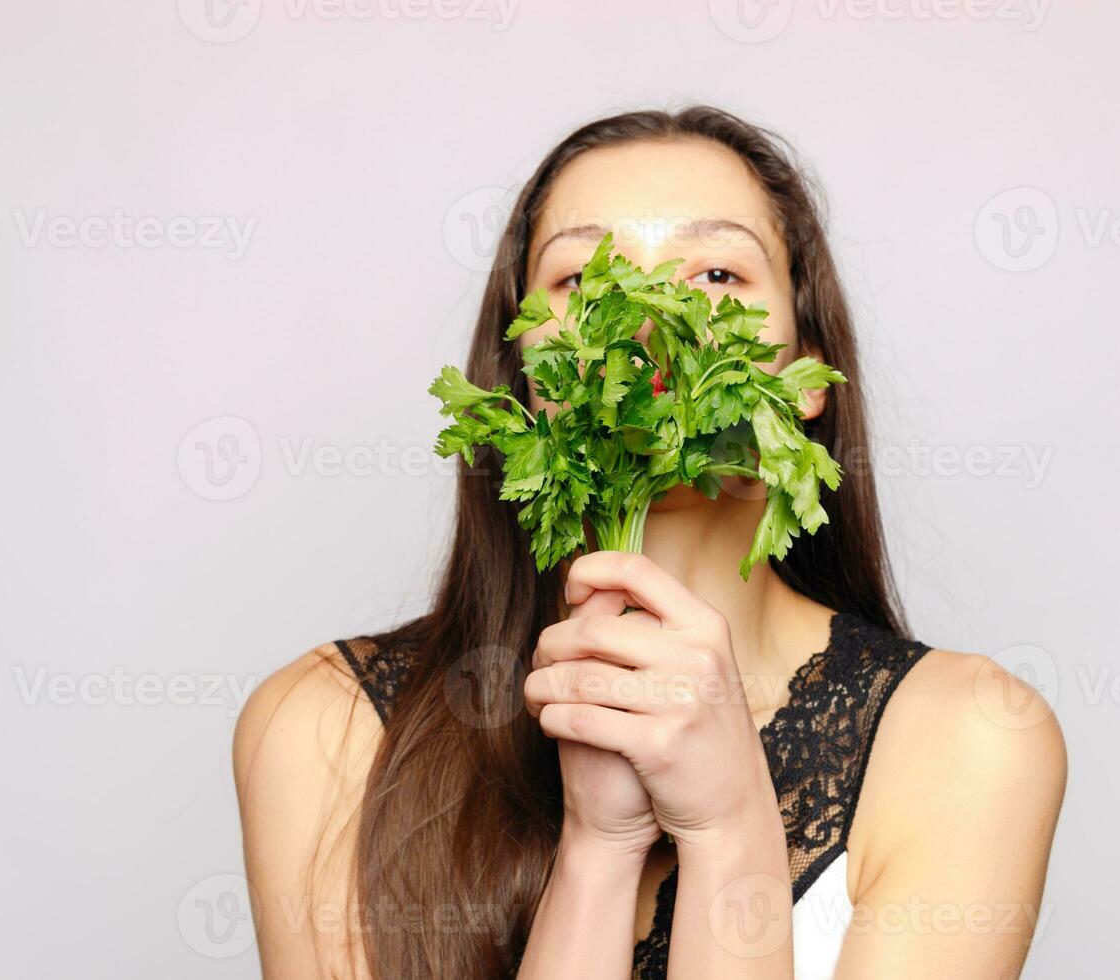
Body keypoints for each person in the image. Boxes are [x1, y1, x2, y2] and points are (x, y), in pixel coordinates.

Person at [234, 106, 1067, 980]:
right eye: (581, 278)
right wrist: (600, 846)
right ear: (519, 371)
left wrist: (729, 827)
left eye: (716, 271)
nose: (647, 312)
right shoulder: (322, 729)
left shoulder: (970, 737)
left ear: (808, 374)